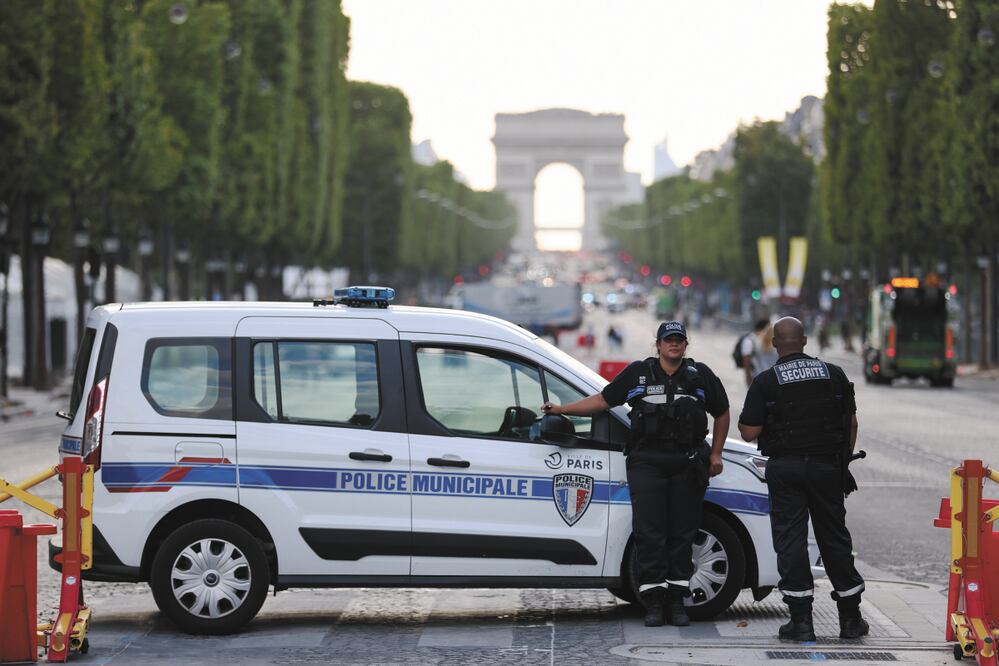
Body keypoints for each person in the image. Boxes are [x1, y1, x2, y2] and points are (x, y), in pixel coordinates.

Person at [541, 321, 730, 627]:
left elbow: (722, 412)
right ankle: (654, 602)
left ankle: (677, 601)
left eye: (679, 340)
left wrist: (717, 453)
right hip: (647, 464)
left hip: (687, 462)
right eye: (668, 339)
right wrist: (562, 410)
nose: (674, 344)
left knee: (682, 534)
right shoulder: (638, 374)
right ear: (657, 344)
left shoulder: (700, 376)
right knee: (649, 533)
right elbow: (603, 400)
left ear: (685, 345)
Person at [737, 316, 866, 642]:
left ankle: (801, 621)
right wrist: (842, 462)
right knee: (834, 538)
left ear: (776, 344)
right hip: (826, 469)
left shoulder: (766, 381)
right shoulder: (834, 374)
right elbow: (850, 423)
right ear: (806, 341)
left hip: (785, 470)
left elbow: (749, 431)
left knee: (790, 540)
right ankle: (851, 620)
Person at [740, 318, 770, 386]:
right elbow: (746, 359)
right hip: (756, 376)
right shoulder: (749, 341)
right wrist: (748, 377)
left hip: (765, 376)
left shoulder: (763, 339)